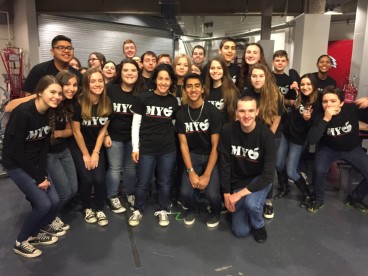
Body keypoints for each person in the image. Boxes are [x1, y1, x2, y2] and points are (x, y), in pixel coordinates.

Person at [2, 76, 64, 258]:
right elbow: (15, 151)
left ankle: (34, 234)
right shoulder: (23, 113)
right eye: (52, 92)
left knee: (55, 201)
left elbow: (44, 147)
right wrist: (38, 178)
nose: (57, 96)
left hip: (35, 163)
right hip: (15, 164)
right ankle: (21, 242)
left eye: (59, 93)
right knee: (43, 204)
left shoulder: (50, 112)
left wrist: (42, 173)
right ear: (39, 92)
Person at [218, 96, 276, 242]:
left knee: (252, 204)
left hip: (260, 179)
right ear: (236, 112)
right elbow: (224, 165)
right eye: (242, 111)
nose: (246, 115)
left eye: (251, 110)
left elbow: (268, 176)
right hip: (238, 181)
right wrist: (226, 195)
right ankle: (248, 204)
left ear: (257, 112)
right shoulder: (227, 130)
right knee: (240, 231)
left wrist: (238, 196)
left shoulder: (266, 135)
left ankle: (258, 224)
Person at [129, 64, 179, 227]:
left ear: (171, 81)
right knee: (143, 181)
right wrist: (136, 147)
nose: (164, 82)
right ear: (155, 79)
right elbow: (135, 124)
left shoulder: (173, 101)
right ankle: (138, 210)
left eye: (167, 79)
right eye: (161, 78)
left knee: (165, 181)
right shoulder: (143, 98)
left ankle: (162, 209)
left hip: (167, 149)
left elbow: (173, 124)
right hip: (147, 149)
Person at [307, 86, 368, 213]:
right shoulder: (320, 115)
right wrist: (326, 119)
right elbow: (312, 140)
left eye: (333, 101)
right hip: (329, 149)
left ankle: (354, 198)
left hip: (352, 149)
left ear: (341, 102)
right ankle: (318, 199)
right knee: (319, 170)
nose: (328, 105)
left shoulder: (351, 109)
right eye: (325, 101)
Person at [176, 73, 222, 227]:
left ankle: (215, 211)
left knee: (213, 194)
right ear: (184, 89)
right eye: (189, 86)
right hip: (193, 155)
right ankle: (193, 208)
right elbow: (183, 145)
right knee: (185, 193)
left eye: (197, 86)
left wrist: (207, 175)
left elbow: (216, 145)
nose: (193, 89)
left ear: (203, 89)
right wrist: (191, 172)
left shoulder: (213, 112)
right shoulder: (181, 113)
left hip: (211, 154)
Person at [242, 63, 285, 219]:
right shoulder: (246, 92)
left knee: (268, 168)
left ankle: (268, 201)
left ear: (266, 77)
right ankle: (249, 192)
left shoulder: (275, 94)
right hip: (251, 135)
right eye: (254, 76)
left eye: (261, 76)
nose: (257, 79)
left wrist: (268, 139)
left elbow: (277, 118)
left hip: (271, 135)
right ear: (250, 78)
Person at [71, 68, 112, 226]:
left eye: (100, 81)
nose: (97, 84)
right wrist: (86, 155)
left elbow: (103, 130)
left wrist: (95, 152)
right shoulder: (78, 103)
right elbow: (76, 132)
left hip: (96, 145)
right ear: (87, 84)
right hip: (79, 145)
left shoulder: (107, 102)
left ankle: (99, 208)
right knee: (87, 179)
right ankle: (87, 207)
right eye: (93, 81)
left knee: (100, 179)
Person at [104, 58, 145, 213]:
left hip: (133, 139)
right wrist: (105, 134)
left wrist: (139, 140)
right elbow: (101, 112)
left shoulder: (142, 91)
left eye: (133, 70)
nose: (129, 73)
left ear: (138, 73)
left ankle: (130, 193)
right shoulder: (110, 88)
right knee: (114, 168)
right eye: (126, 70)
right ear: (120, 73)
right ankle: (112, 195)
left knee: (130, 168)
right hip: (113, 136)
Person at [274, 74, 321, 207]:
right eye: (303, 84)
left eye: (308, 84)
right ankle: (284, 188)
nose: (305, 87)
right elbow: (293, 72)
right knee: (278, 164)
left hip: (298, 139)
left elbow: (315, 125)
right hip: (286, 133)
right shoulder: (298, 96)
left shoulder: (317, 102)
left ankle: (307, 194)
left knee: (291, 171)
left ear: (314, 85)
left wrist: (308, 120)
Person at [205, 57, 240, 124]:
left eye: (219, 68)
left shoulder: (232, 91)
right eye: (212, 68)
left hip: (225, 131)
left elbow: (236, 116)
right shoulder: (204, 91)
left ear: (224, 70)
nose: (215, 71)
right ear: (209, 70)